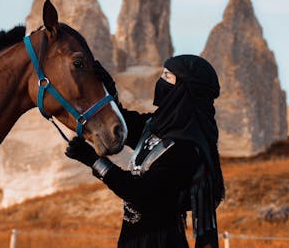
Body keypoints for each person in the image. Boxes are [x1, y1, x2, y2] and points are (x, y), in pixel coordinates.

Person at [65, 55, 225, 248]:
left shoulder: (186, 149)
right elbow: (125, 126)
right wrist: (107, 89)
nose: (160, 81)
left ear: (182, 90)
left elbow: (140, 193)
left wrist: (94, 160)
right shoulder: (157, 125)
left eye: (167, 76)